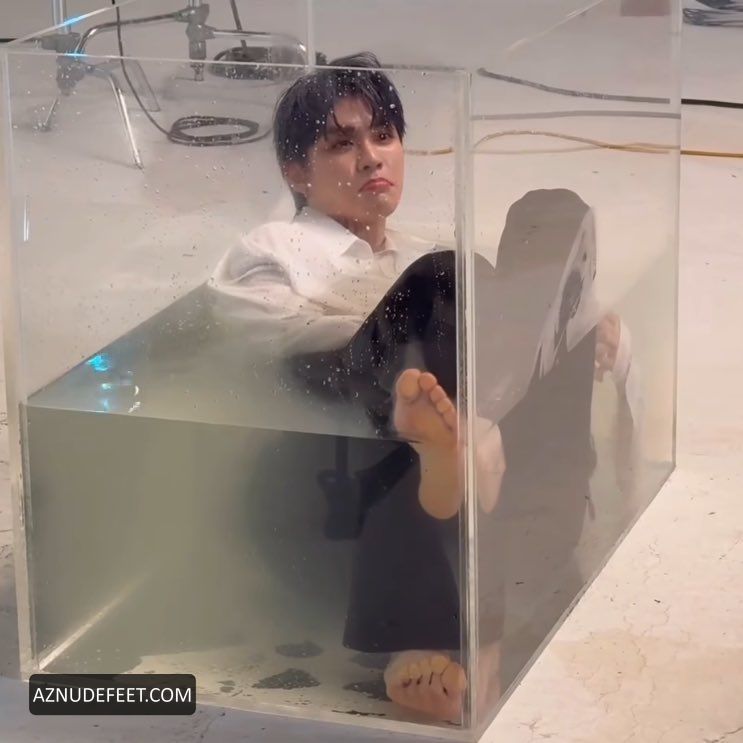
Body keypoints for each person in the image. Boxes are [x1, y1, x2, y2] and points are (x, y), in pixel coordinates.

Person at [208, 52, 637, 722]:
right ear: (296, 171)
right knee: (449, 281)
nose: (371, 158)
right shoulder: (273, 248)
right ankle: (433, 620)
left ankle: (486, 575)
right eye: (341, 144)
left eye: (383, 136)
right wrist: (413, 329)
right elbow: (270, 346)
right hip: (334, 419)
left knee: (549, 215)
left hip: (442, 415)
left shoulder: (419, 248)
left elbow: (498, 314)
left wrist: (587, 327)